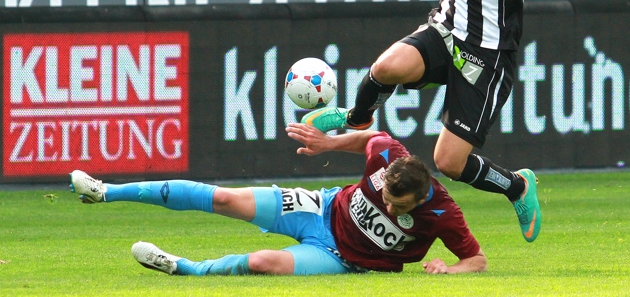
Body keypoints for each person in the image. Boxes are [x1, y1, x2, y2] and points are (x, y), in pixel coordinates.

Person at [301, 0, 577, 244]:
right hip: (446, 28)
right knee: (385, 68)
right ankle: (357, 119)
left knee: (447, 162)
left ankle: (517, 186)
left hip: (487, 52)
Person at [69, 123, 487, 276]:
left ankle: (183, 269)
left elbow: (477, 260)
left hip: (341, 258)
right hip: (320, 207)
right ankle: (105, 191)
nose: (390, 208)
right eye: (385, 198)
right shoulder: (388, 155)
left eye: (400, 207)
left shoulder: (443, 213)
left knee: (261, 263)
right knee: (226, 199)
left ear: (422, 195)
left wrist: (448, 269)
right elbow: (368, 135)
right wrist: (328, 143)